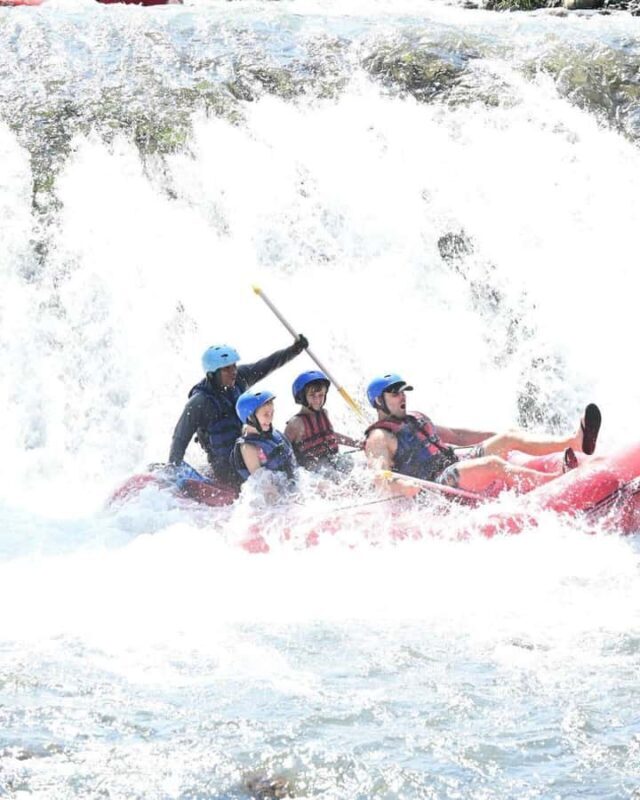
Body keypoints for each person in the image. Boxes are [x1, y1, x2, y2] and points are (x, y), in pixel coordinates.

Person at [364, 373, 601, 496]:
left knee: (509, 436)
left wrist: (498, 436)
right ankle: (557, 482)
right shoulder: (378, 438)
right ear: (379, 401)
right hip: (436, 486)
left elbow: (457, 435)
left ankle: (574, 441)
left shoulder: (415, 417)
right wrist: (403, 486)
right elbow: (378, 475)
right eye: (394, 394)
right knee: (492, 464)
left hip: (455, 467)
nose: (402, 396)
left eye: (403, 392)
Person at [168, 336, 307, 485]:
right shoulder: (199, 403)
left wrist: (294, 350)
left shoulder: (239, 378)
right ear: (211, 374)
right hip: (225, 466)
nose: (233, 371)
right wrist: (172, 471)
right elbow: (179, 439)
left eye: (234, 366)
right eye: (227, 369)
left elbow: (267, 365)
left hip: (248, 449)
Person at [284, 370, 360, 473]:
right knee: (331, 474)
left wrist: (358, 444)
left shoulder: (324, 413)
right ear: (301, 397)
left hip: (331, 461)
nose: (317, 400)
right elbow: (284, 452)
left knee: (349, 462)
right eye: (312, 395)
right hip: (313, 472)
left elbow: (331, 436)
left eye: (321, 395)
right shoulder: (296, 423)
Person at [230, 389, 298, 485]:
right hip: (273, 494)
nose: (270, 418)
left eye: (272, 413)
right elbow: (264, 486)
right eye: (266, 414)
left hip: (290, 486)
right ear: (250, 418)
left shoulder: (275, 434)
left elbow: (296, 469)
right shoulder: (248, 448)